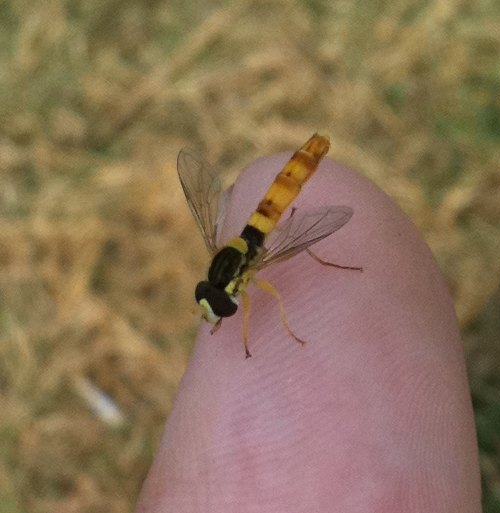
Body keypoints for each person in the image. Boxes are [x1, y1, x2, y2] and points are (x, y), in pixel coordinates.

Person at [136, 151, 482, 512]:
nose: (211, 307)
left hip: (263, 228)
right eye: (212, 303)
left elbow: (291, 247)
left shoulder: (246, 274)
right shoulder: (221, 259)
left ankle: (314, 180)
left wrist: (269, 335)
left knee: (292, 252)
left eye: (215, 305)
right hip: (262, 216)